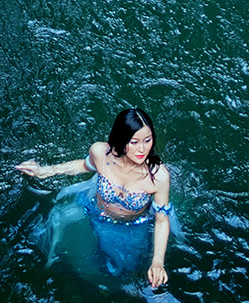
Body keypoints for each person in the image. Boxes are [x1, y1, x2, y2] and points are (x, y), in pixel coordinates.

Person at [17, 106, 173, 288]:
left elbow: (162, 221)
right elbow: (84, 165)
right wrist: (46, 171)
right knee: (61, 246)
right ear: (121, 139)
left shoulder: (158, 176)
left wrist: (157, 263)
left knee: (121, 276)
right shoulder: (102, 153)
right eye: (134, 142)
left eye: (147, 140)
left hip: (130, 227)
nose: (142, 149)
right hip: (93, 210)